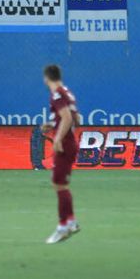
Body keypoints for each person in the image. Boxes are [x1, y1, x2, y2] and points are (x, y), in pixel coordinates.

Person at [42, 64, 81, 244]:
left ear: (46, 77)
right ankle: (71, 222)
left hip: (65, 144)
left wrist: (57, 138)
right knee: (61, 183)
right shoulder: (68, 92)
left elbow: (67, 118)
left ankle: (62, 227)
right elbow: (77, 119)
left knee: (58, 184)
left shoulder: (57, 94)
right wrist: (53, 125)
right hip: (71, 142)